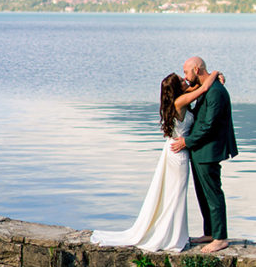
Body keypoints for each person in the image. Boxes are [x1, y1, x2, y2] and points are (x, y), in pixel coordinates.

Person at [90, 69, 221, 252]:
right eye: (182, 81)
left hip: (173, 149)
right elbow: (205, 86)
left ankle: (173, 233)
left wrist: (208, 78)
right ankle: (172, 236)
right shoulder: (181, 101)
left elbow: (199, 86)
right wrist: (215, 72)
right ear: (177, 88)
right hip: (178, 153)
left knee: (172, 194)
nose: (186, 81)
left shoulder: (179, 99)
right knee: (175, 195)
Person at [170, 56, 238, 254]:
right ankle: (209, 232)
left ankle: (220, 238)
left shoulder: (215, 92)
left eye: (186, 72)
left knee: (213, 193)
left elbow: (210, 125)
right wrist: (216, 73)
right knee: (202, 194)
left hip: (208, 151)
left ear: (197, 70)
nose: (185, 76)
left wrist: (186, 141)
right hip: (199, 151)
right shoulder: (206, 88)